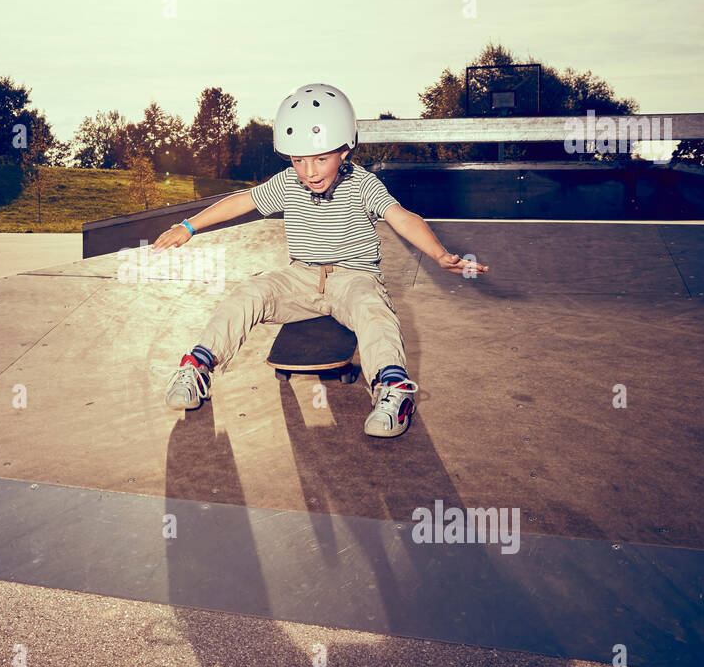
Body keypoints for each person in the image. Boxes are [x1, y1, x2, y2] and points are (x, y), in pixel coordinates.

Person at [151, 83, 488, 438]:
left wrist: (438, 254)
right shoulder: (288, 183)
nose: (309, 172)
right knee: (250, 291)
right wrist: (189, 226)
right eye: (299, 160)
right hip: (301, 277)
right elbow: (243, 201)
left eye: (320, 159)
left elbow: (401, 216)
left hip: (355, 278)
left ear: (344, 150)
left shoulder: (364, 184)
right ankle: (197, 367)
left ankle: (393, 390)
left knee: (373, 311)